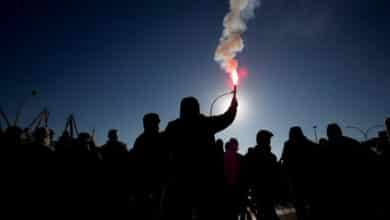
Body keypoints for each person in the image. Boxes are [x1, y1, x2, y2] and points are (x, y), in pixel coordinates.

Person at [164, 93, 237, 219]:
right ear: (197, 108)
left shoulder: (173, 126)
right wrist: (233, 106)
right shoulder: (205, 122)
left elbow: (164, 150)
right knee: (206, 213)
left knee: (181, 213)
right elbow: (227, 118)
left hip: (181, 180)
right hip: (205, 181)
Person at [132, 113, 167, 220]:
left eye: (158, 123)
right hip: (149, 185)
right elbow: (137, 165)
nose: (158, 125)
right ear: (148, 124)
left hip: (158, 184)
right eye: (156, 123)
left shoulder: (142, 140)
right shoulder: (142, 141)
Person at [281, 127, 317, 220]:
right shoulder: (309, 144)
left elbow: (285, 162)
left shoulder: (288, 144)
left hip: (295, 179)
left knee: (300, 206)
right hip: (309, 178)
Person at [246, 130, 280, 220]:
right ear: (262, 140)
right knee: (267, 213)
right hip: (262, 191)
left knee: (265, 213)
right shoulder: (268, 156)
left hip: (262, 191)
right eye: (268, 139)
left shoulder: (252, 154)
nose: (269, 142)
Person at [223, 138, 245, 220]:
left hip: (227, 187)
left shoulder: (224, 155)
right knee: (234, 212)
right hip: (235, 187)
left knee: (229, 212)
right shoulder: (238, 157)